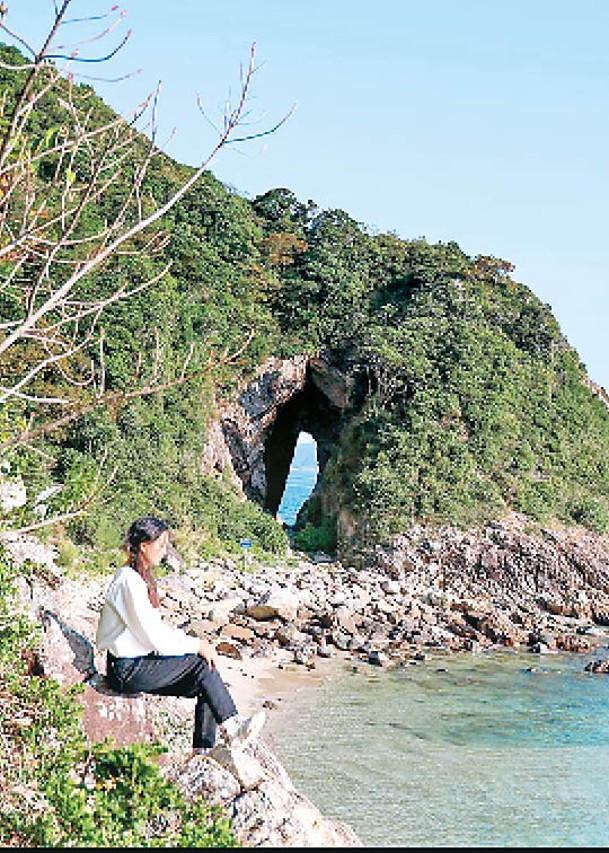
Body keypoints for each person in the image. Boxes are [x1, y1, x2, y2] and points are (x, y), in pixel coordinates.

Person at [95, 515, 265, 753]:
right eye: (161, 545)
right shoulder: (128, 581)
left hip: (138, 663)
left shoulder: (139, 578)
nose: (165, 552)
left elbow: (153, 632)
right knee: (201, 666)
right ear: (144, 546)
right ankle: (233, 727)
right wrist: (197, 645)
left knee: (208, 680)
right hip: (125, 669)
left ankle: (203, 750)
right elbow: (153, 636)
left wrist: (196, 646)